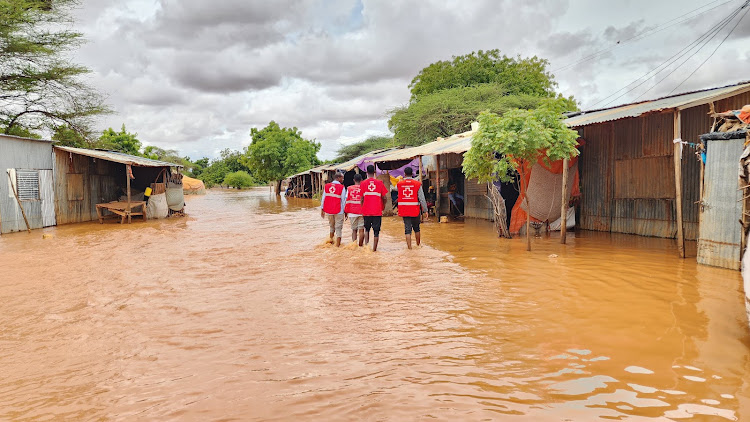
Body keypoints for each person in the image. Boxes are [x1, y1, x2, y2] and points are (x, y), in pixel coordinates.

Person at [397, 167, 428, 249]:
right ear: (413, 174)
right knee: (417, 228)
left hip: (404, 210)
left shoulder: (399, 184)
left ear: (404, 174)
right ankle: (418, 246)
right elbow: (422, 198)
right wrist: (425, 210)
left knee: (407, 229)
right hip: (415, 210)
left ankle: (409, 248)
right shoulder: (417, 184)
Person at [360, 164, 388, 251]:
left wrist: (362, 208)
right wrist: (383, 206)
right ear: (375, 172)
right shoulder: (379, 183)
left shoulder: (363, 183)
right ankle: (374, 250)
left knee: (366, 229)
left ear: (366, 172)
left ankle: (367, 247)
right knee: (376, 232)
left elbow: (361, 198)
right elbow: (385, 197)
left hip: (366, 211)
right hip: (377, 211)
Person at [320, 171, 347, 247]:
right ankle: (337, 247)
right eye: (342, 178)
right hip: (339, 210)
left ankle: (331, 242)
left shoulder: (327, 186)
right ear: (338, 178)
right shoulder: (342, 187)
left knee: (331, 227)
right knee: (338, 228)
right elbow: (343, 201)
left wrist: (322, 209)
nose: (343, 179)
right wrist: (346, 212)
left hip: (329, 210)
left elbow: (323, 198)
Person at [344, 173, 364, 244]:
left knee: (354, 230)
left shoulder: (349, 188)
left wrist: (345, 213)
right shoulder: (364, 188)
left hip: (352, 212)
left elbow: (346, 201)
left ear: (354, 180)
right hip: (362, 212)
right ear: (361, 180)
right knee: (361, 230)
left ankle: (354, 246)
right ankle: (361, 246)